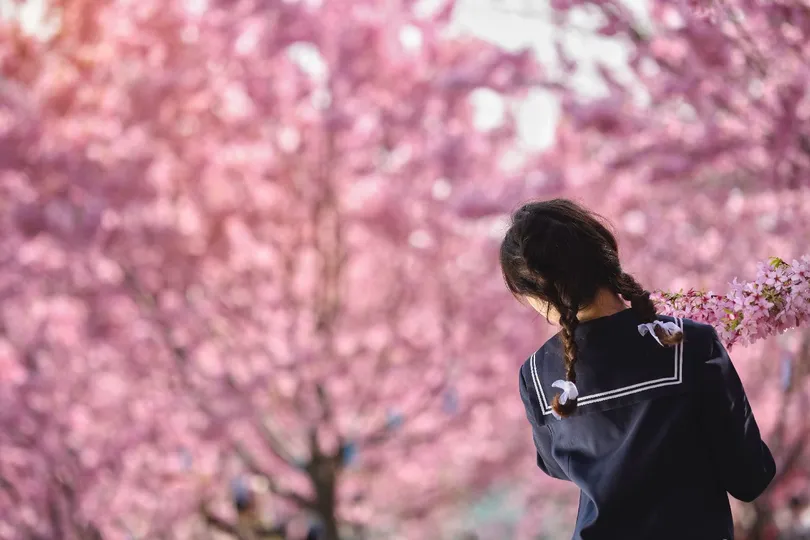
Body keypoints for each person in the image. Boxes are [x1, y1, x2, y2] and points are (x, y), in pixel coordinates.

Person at [500, 199, 776, 540]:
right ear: (605, 256)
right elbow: (749, 478)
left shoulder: (537, 377)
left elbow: (557, 465)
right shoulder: (689, 345)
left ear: (535, 294)